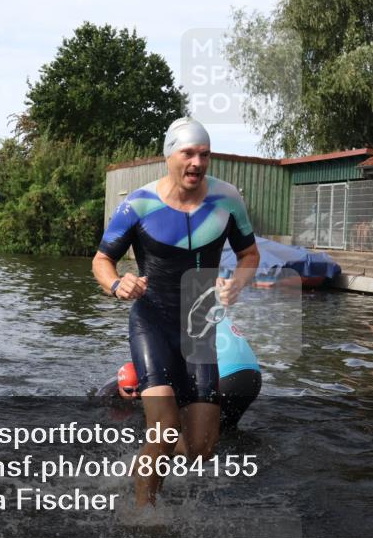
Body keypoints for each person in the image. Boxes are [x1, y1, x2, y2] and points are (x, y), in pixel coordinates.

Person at [91, 116, 260, 506]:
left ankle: (146, 466)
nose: (197, 163)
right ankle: (142, 513)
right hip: (153, 318)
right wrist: (118, 283)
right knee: (165, 429)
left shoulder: (228, 199)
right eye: (188, 153)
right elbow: (102, 260)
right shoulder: (139, 204)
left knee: (201, 447)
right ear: (170, 155)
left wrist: (238, 282)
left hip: (199, 326)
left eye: (204, 154)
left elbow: (250, 254)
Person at [96, 319, 261, 430]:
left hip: (225, 378)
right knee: (224, 431)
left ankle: (146, 462)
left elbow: (165, 367)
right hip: (252, 376)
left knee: (177, 434)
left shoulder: (172, 309)